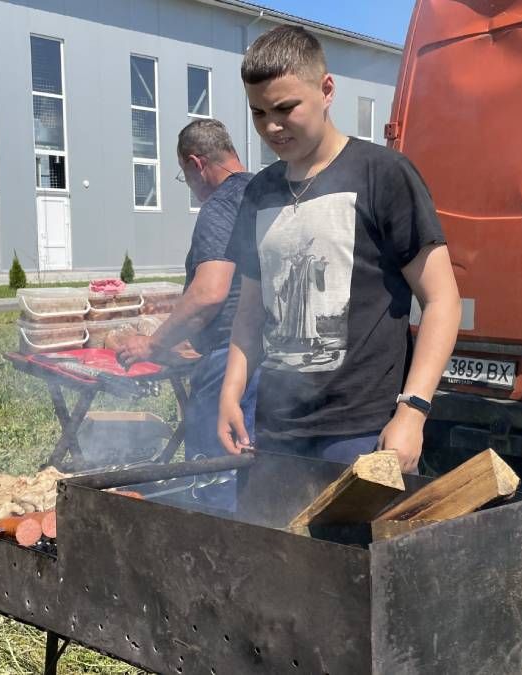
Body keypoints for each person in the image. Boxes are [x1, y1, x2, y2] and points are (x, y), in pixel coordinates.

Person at [217, 25, 462, 472]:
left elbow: (443, 300)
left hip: (362, 432)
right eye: (257, 112)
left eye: (285, 108)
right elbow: (251, 311)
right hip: (274, 430)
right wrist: (231, 392)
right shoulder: (259, 193)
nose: (271, 126)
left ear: (326, 90)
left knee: (352, 545)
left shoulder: (384, 175)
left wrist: (413, 411)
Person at [117, 119, 257, 509]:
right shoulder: (266, 192)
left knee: (214, 491)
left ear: (196, 163)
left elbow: (211, 292)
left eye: (185, 175)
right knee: (257, 491)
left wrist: (153, 343)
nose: (191, 187)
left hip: (229, 369)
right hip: (270, 367)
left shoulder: (221, 205)